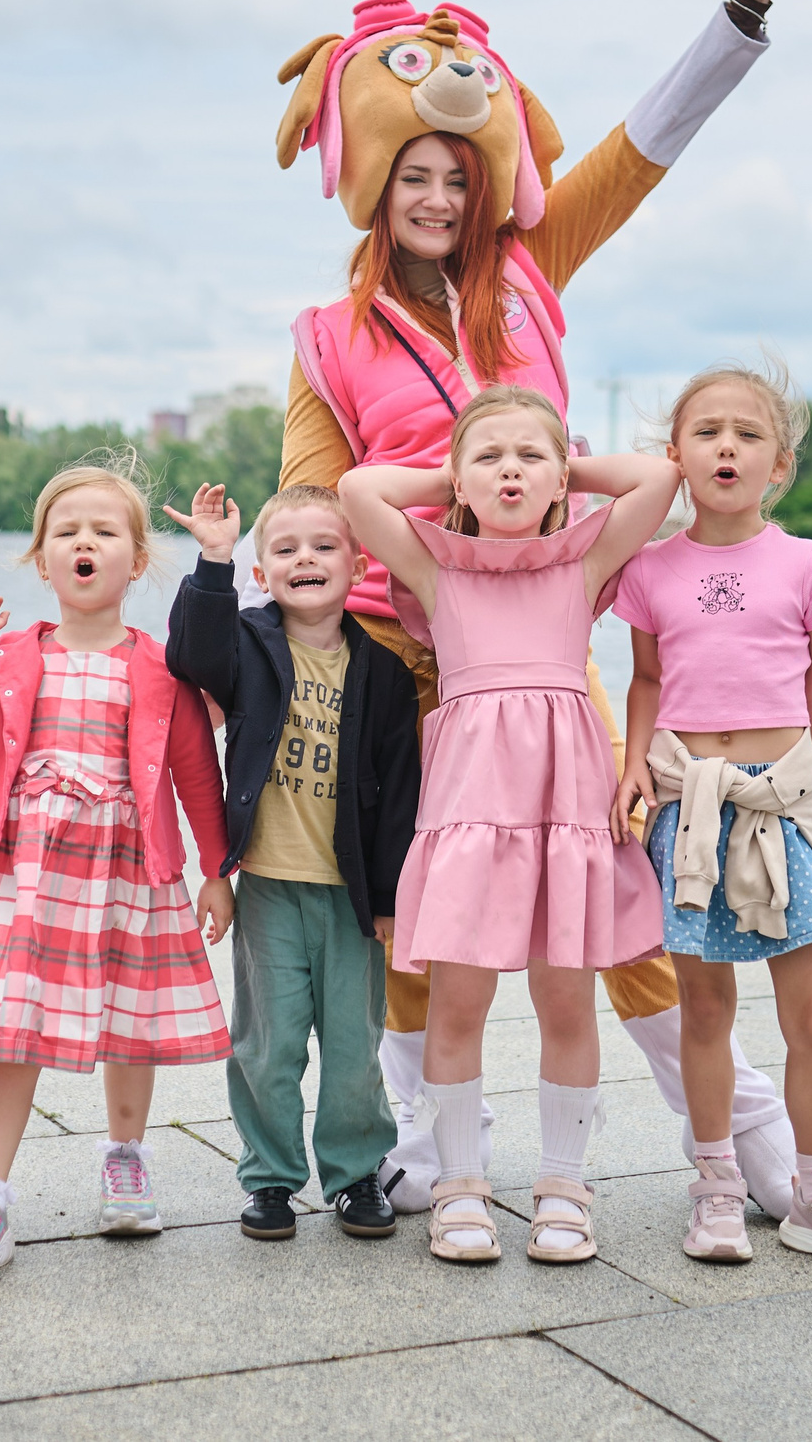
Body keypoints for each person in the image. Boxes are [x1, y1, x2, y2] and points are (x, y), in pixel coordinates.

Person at [272, 0, 796, 1215]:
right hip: (407, 644)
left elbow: (635, 150)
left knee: (609, 911)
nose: (438, 194)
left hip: (555, 634)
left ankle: (735, 1134)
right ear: (374, 182)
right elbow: (313, 499)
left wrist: (741, 13)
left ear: (485, 175)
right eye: (414, 175)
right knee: (411, 911)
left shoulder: (538, 260)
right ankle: (425, 1137)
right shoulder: (327, 337)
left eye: (457, 173)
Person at [0, 460, 232, 1291]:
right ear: (42, 560)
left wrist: (217, 868)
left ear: (135, 562)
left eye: (105, 531)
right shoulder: (7, 656)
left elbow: (193, 773)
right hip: (27, 871)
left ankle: (126, 1155)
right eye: (67, 530)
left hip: (128, 866)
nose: (85, 542)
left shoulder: (161, 666)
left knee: (130, 1019)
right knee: (17, 1026)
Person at [341, 387, 680, 1264]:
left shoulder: (582, 558)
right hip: (468, 809)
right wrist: (449, 470)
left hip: (564, 807)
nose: (511, 470)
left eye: (532, 455)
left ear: (561, 473)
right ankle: (460, 1187)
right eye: (489, 457)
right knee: (461, 998)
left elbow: (657, 477)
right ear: (460, 477)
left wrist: (567, 462)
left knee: (565, 994)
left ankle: (565, 1185)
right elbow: (356, 491)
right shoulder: (436, 566)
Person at [611, 363, 812, 1271]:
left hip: (781, 810)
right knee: (705, 1008)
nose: (726, 446)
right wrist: (632, 769)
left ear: (778, 463)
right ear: (675, 456)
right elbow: (649, 683)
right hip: (690, 810)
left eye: (747, 433)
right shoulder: (651, 569)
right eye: (706, 432)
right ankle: (716, 1187)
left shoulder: (808, 564)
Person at [163, 481, 420, 1243]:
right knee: (267, 1046)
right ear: (263, 572)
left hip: (349, 897)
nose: (304, 558)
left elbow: (400, 795)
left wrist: (391, 902)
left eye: (323, 546)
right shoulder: (247, 643)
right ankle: (270, 1178)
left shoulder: (384, 675)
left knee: (353, 1049)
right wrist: (214, 558)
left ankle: (354, 1175)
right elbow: (189, 652)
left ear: (357, 563)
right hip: (270, 888)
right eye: (285, 549)